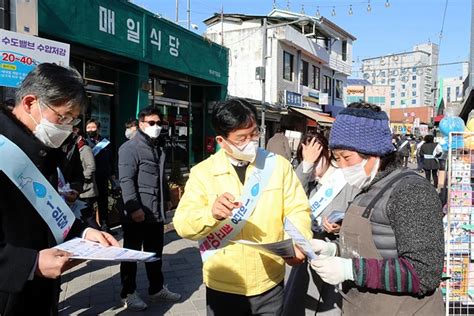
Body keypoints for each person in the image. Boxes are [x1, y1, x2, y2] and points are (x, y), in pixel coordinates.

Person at [173, 98, 311, 315]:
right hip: (224, 283)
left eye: (254, 134)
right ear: (222, 140)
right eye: (241, 138)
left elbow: (298, 208)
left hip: (270, 280)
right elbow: (183, 224)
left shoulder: (278, 166)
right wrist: (211, 214)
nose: (251, 142)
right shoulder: (203, 173)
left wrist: (298, 241)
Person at [0, 63, 119, 315]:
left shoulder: (41, 151)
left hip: (41, 296)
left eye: (72, 119)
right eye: (62, 117)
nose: (67, 127)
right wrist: (29, 264)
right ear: (31, 102)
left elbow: (47, 210)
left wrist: (84, 232)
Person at [310, 102, 444, 315]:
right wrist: (334, 250)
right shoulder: (368, 187)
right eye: (337, 159)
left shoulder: (411, 192)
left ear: (374, 153)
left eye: (347, 157)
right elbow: (381, 249)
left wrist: (349, 270)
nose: (343, 166)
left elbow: (425, 272)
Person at [283, 132, 358, 315]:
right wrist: (306, 166)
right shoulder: (307, 179)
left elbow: (358, 218)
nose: (313, 167)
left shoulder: (345, 180)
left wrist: (341, 227)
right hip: (308, 255)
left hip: (335, 255)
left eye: (316, 160)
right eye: (307, 161)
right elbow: (289, 195)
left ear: (327, 154)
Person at [118, 106, 180, 311]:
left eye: (159, 123)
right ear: (141, 123)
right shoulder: (130, 148)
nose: (156, 126)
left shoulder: (157, 147)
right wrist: (134, 208)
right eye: (151, 123)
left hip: (155, 212)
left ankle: (156, 289)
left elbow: (160, 178)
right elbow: (126, 181)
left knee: (155, 253)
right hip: (137, 212)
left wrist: (168, 199)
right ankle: (128, 293)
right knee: (132, 255)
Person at [85, 118, 115, 233]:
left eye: (93, 127)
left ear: (98, 129)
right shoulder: (85, 143)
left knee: (103, 203)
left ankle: (105, 227)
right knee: (90, 204)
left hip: (103, 177)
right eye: (88, 128)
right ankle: (92, 229)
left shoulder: (105, 143)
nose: (90, 130)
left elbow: (111, 160)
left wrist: (112, 175)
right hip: (90, 179)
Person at [74, 128, 100, 229]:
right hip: (80, 190)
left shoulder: (85, 149)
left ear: (79, 137)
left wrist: (82, 179)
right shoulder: (75, 149)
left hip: (87, 190)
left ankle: (99, 234)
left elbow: (91, 167)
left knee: (88, 217)